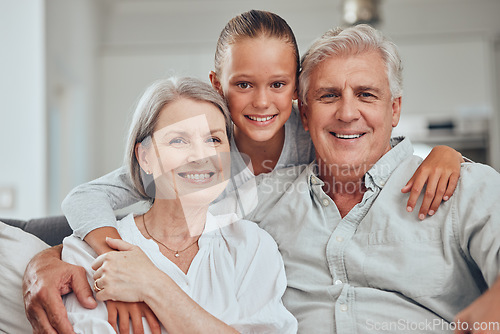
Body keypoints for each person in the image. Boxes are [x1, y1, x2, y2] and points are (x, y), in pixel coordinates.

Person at [22, 10, 464, 334]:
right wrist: (103, 258)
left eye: (278, 85)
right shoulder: (199, 152)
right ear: (218, 85)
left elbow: (382, 151)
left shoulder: (317, 134)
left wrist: (447, 154)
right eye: (243, 84)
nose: (261, 103)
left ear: (298, 90)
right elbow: (85, 198)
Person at [210, 24, 500, 333]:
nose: (347, 113)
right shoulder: (261, 199)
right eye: (329, 95)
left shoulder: (465, 189)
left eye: (366, 94)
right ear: (305, 114)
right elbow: (178, 244)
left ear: (394, 109)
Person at [61, 76, 297, 333]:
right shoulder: (88, 254)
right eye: (178, 140)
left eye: (214, 140)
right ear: (145, 157)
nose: (200, 156)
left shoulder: (252, 247)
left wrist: (154, 284)